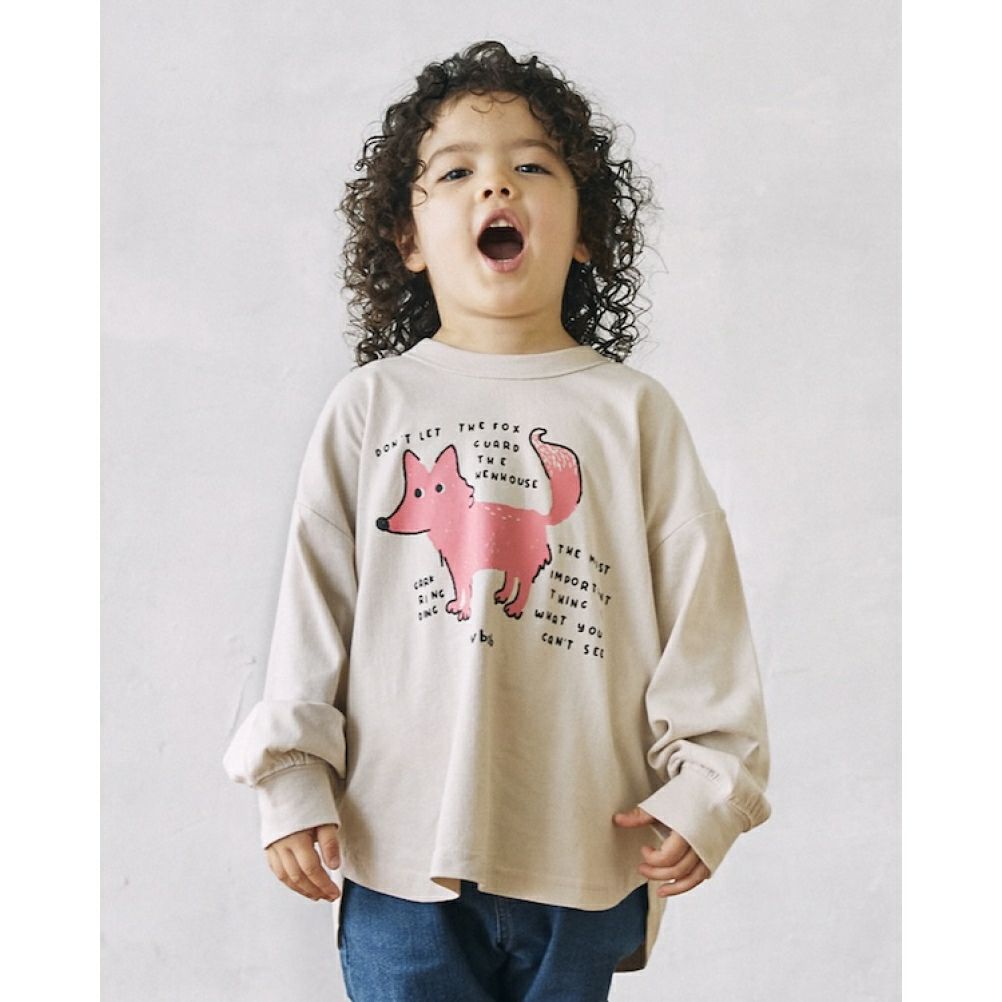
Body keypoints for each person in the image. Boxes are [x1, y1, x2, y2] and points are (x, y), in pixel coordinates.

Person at [223, 39, 771, 1002]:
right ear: (407, 238)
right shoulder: (371, 406)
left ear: (585, 231)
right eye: (456, 172)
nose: (495, 186)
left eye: (533, 166)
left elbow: (703, 613)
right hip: (399, 848)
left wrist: (709, 788)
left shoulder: (631, 413)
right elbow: (314, 607)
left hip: (584, 844)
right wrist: (292, 775)